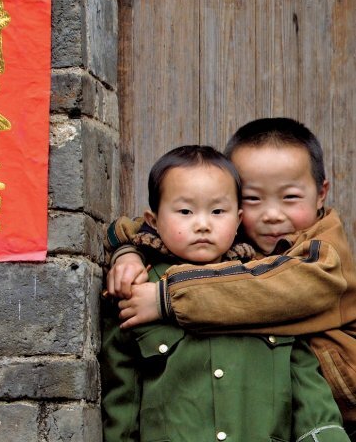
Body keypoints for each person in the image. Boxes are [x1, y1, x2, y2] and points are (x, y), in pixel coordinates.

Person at [105, 118, 356, 438]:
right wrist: (127, 249)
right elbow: (164, 220)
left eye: (290, 197)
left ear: (322, 194)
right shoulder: (242, 246)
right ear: (236, 205)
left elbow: (265, 290)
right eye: (253, 199)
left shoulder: (322, 254)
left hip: (344, 401)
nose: (271, 214)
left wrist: (166, 298)